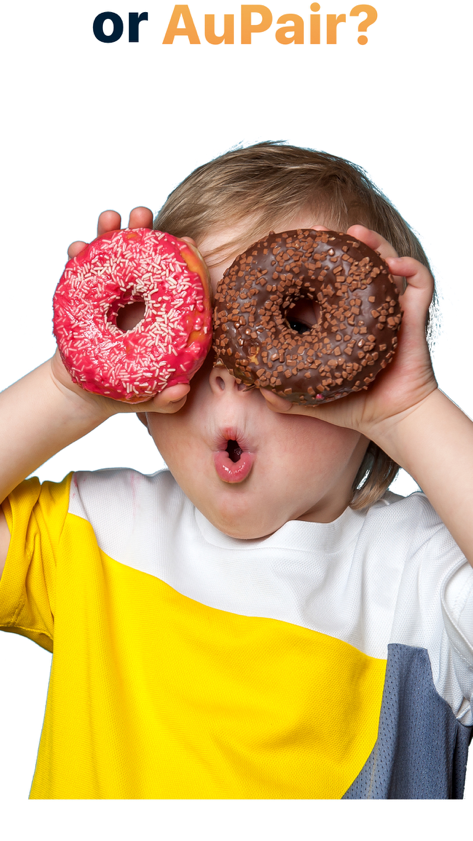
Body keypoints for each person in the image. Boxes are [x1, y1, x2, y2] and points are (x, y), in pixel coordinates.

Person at [0, 142, 472, 800]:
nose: (228, 367)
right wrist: (71, 387)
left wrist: (409, 410)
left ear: (370, 358)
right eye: (193, 333)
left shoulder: (426, 576)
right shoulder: (92, 534)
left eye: (294, 325)